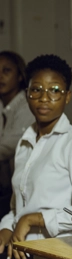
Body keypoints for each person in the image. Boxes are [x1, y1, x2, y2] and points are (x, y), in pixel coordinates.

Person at [0, 54, 72, 259]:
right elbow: (17, 207)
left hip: (57, 250)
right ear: (27, 94)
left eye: (55, 90)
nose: (44, 98)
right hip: (23, 244)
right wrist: (6, 227)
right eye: (36, 90)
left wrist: (34, 218)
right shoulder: (25, 142)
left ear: (67, 97)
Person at [0, 51, 34, 220]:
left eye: (6, 71)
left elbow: (7, 147)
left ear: (20, 76)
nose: (0, 77)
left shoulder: (28, 105)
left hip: (21, 189)